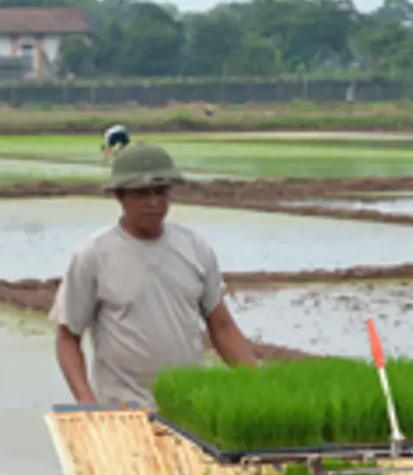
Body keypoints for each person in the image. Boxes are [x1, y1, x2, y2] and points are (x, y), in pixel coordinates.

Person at [52, 142, 259, 409]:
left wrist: (258, 383)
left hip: (188, 409)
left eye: (161, 192)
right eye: (141, 194)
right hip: (123, 409)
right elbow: (68, 337)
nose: (154, 202)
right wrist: (87, 402)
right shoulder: (94, 255)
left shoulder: (194, 247)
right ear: (119, 196)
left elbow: (222, 327)